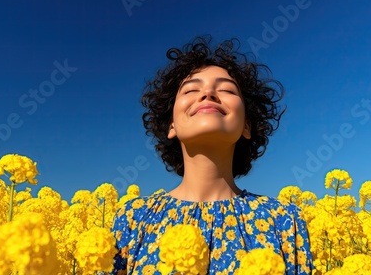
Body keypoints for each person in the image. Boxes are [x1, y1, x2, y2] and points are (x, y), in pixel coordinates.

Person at [110, 36, 313, 274]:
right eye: (191, 89)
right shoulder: (133, 218)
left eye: (226, 89)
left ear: (247, 126)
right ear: (171, 126)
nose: (208, 93)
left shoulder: (284, 220)